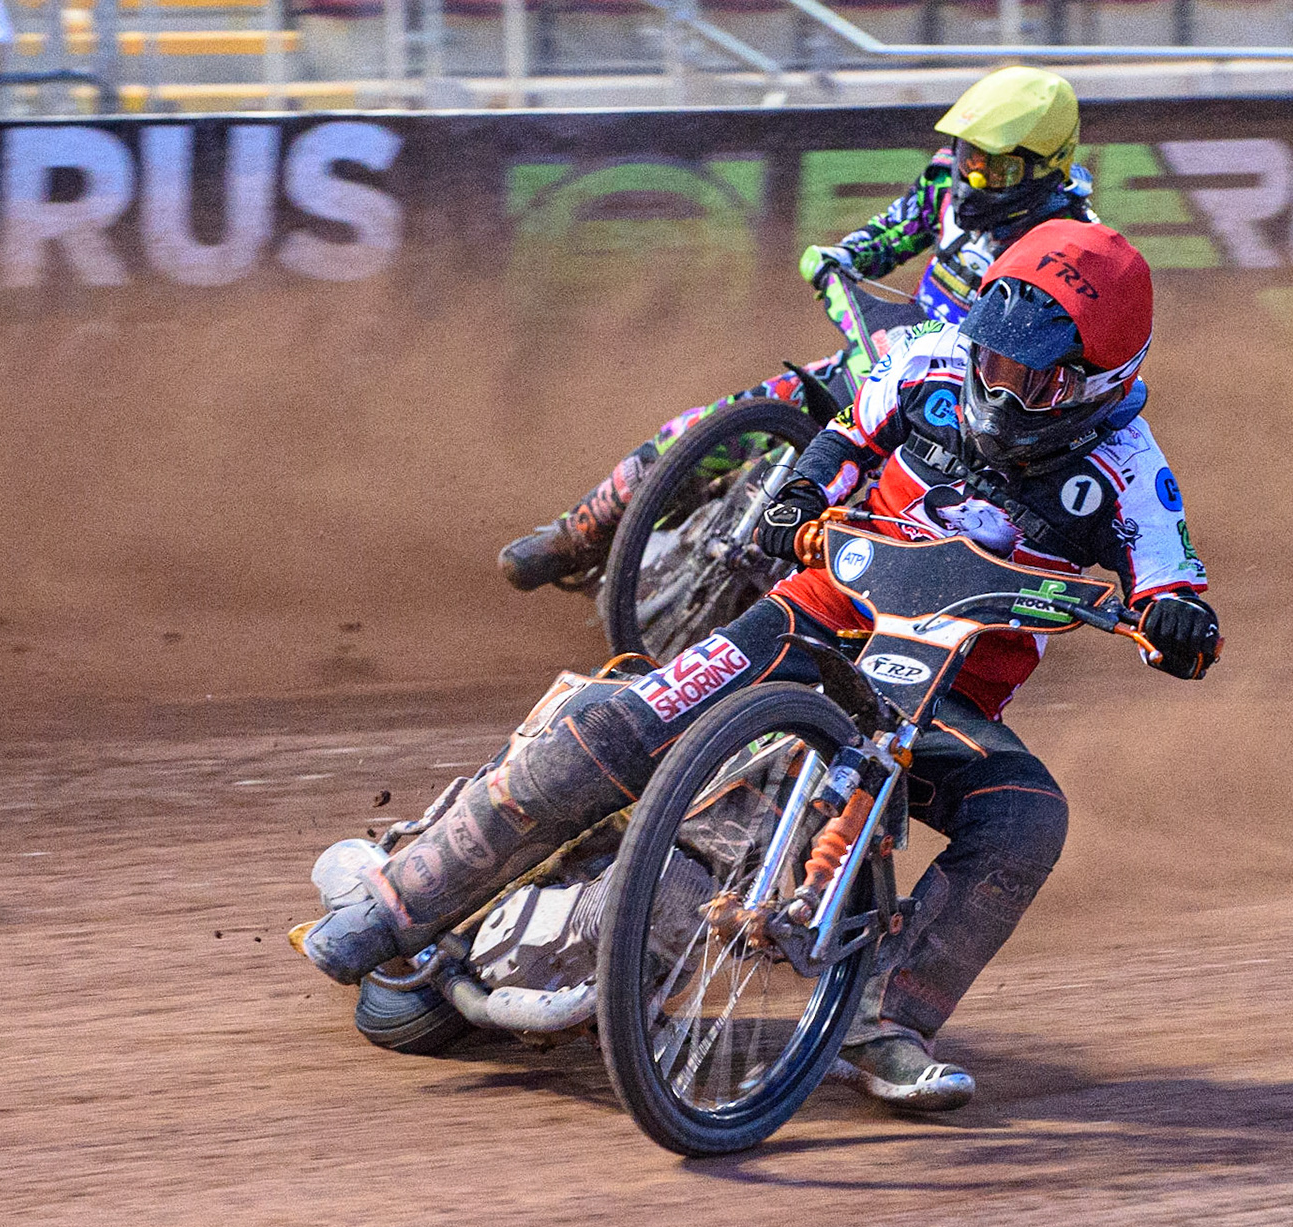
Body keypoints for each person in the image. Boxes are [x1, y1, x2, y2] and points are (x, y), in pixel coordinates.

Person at [297, 221, 1222, 1112]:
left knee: (1026, 822)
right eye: (992, 352)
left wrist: (1177, 620)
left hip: (944, 695)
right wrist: (801, 496)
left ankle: (886, 1021)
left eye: (1028, 371)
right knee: (630, 717)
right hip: (813, 618)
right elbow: (845, 439)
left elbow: (1173, 580)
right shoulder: (928, 359)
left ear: (1100, 380)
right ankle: (399, 901)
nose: (996, 377)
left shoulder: (1133, 473)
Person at [496, 64, 1101, 593]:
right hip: (875, 365)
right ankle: (578, 534)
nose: (971, 176)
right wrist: (842, 258)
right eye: (969, 155)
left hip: (957, 424)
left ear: (1044, 169)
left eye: (992, 169)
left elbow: (1064, 363)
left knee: (895, 548)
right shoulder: (947, 182)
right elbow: (888, 237)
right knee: (705, 427)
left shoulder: (1070, 246)